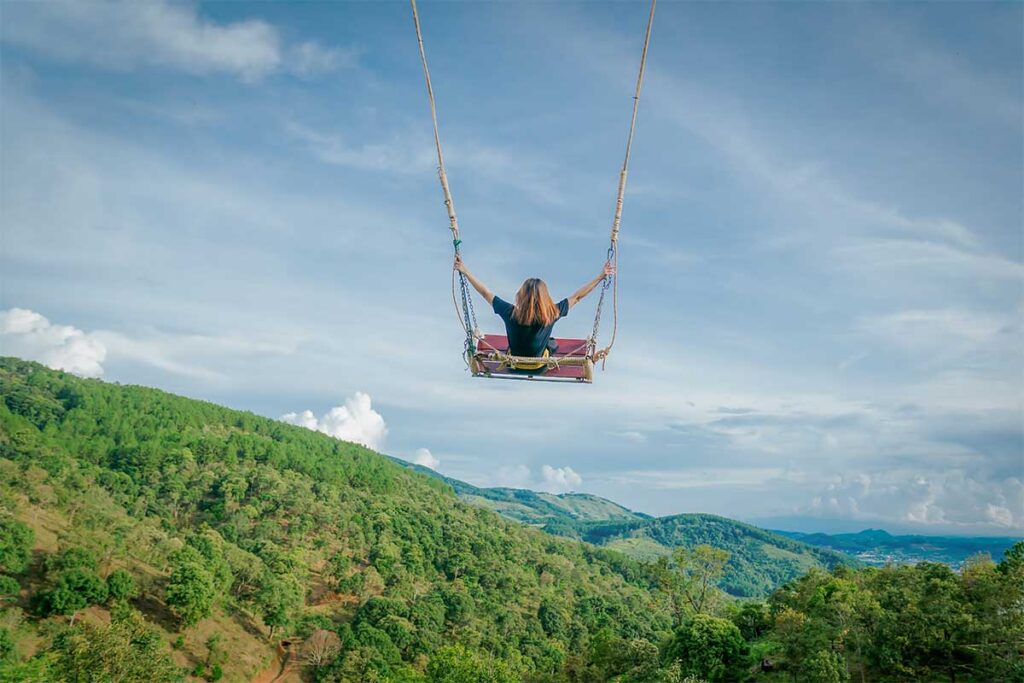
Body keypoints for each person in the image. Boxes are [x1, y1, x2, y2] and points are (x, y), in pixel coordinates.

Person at [454, 256, 615, 368]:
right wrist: (600, 277)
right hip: (539, 366)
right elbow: (577, 297)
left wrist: (465, 271)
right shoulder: (552, 314)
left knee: (540, 342)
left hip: (514, 363)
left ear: (521, 295)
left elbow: (485, 293)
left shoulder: (510, 313)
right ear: (545, 297)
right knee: (552, 343)